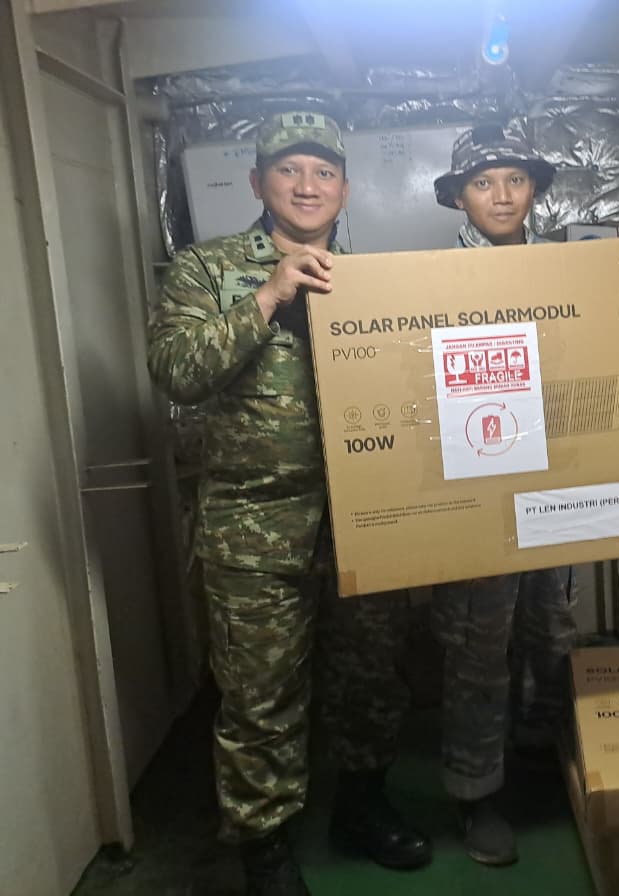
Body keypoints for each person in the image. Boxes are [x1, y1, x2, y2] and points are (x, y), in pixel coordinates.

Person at [147, 111, 431, 896]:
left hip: (364, 521)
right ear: (257, 182)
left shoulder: (370, 281)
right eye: (288, 169)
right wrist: (269, 295)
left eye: (324, 172)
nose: (308, 186)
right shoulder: (207, 269)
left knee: (370, 678)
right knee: (259, 696)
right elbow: (176, 370)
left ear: (345, 189)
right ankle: (265, 848)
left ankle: (362, 807)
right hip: (254, 529)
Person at [428, 124, 577, 867]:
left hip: (554, 483)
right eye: (483, 182)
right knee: (478, 644)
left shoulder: (566, 272)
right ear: (460, 197)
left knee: (552, 630)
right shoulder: (428, 283)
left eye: (515, 179)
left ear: (534, 190)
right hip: (474, 486)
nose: (502, 195)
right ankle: (476, 791)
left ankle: (545, 765)